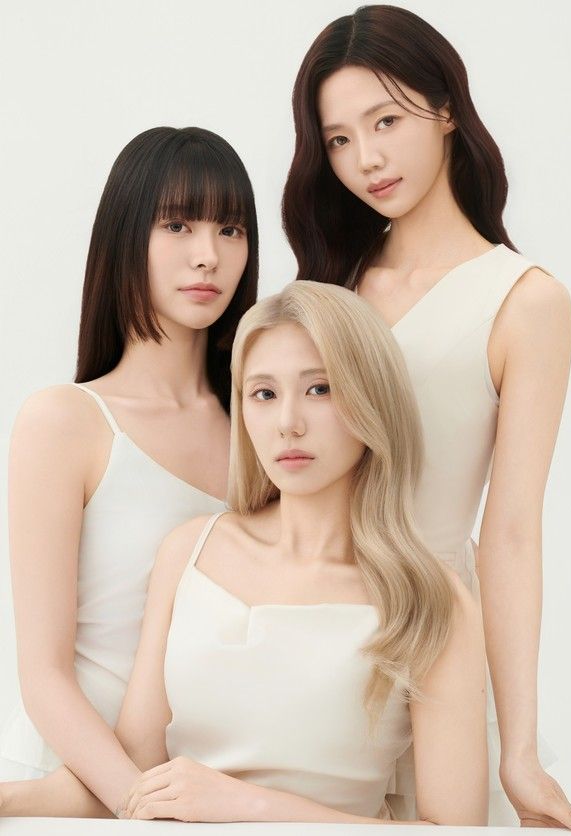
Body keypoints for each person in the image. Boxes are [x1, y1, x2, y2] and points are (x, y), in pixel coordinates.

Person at [1, 281, 488, 824]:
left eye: (320, 389)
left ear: (372, 398)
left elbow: (456, 832)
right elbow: (136, 775)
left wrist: (247, 805)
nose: (288, 424)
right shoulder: (191, 552)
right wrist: (9, 799)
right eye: (264, 394)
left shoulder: (431, 600)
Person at [282, 4, 571, 832]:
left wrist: (518, 748)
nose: (366, 158)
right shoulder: (326, 286)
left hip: (433, 648)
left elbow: (513, 534)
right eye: (339, 139)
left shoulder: (525, 302)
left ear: (447, 108)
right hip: (302, 643)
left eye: (385, 121)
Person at [0, 125, 259, 802]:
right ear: (125, 237)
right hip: (70, 788)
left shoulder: (264, 428)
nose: (208, 256)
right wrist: (137, 804)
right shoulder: (65, 423)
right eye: (177, 225)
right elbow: (44, 675)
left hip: (203, 790)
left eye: (230, 230)